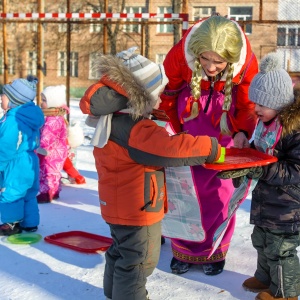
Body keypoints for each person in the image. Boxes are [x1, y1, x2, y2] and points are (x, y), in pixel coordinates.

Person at [79, 47, 226, 300]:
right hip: (139, 210)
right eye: (156, 95)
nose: (160, 101)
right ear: (138, 97)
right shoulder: (137, 128)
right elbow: (169, 148)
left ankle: (114, 293)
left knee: (121, 251)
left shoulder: (116, 119)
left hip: (118, 206)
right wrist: (211, 148)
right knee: (139, 262)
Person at [158, 14, 259, 275]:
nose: (211, 67)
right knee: (185, 188)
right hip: (191, 116)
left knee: (220, 188)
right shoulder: (179, 55)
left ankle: (215, 249)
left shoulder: (247, 63)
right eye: (205, 58)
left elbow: (248, 104)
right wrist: (174, 129)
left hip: (225, 119)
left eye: (219, 61)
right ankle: (183, 248)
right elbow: (167, 95)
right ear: (195, 53)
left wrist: (242, 131)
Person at [222, 53, 300, 300]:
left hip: (289, 206)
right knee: (262, 242)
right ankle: (265, 278)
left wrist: (261, 169)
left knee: (281, 251)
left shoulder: (293, 130)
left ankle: (285, 293)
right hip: (267, 202)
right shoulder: (267, 123)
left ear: (279, 103)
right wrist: (243, 165)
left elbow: (295, 169)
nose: (255, 109)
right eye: (255, 103)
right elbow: (259, 153)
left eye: (261, 105)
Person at [0, 75, 44, 236]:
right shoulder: (29, 117)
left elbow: (6, 147)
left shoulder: (13, 121)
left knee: (11, 192)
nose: (0, 98)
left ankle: (11, 224)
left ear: (14, 101)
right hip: (30, 160)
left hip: (16, 163)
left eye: (3, 96)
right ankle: (30, 223)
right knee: (28, 193)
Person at [37, 85, 69, 203]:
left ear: (53, 102)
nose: (41, 103)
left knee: (47, 172)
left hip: (50, 152)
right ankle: (54, 191)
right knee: (54, 173)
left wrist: (41, 147)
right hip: (57, 151)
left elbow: (48, 136)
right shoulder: (56, 116)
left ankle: (47, 193)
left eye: (44, 100)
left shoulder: (53, 119)